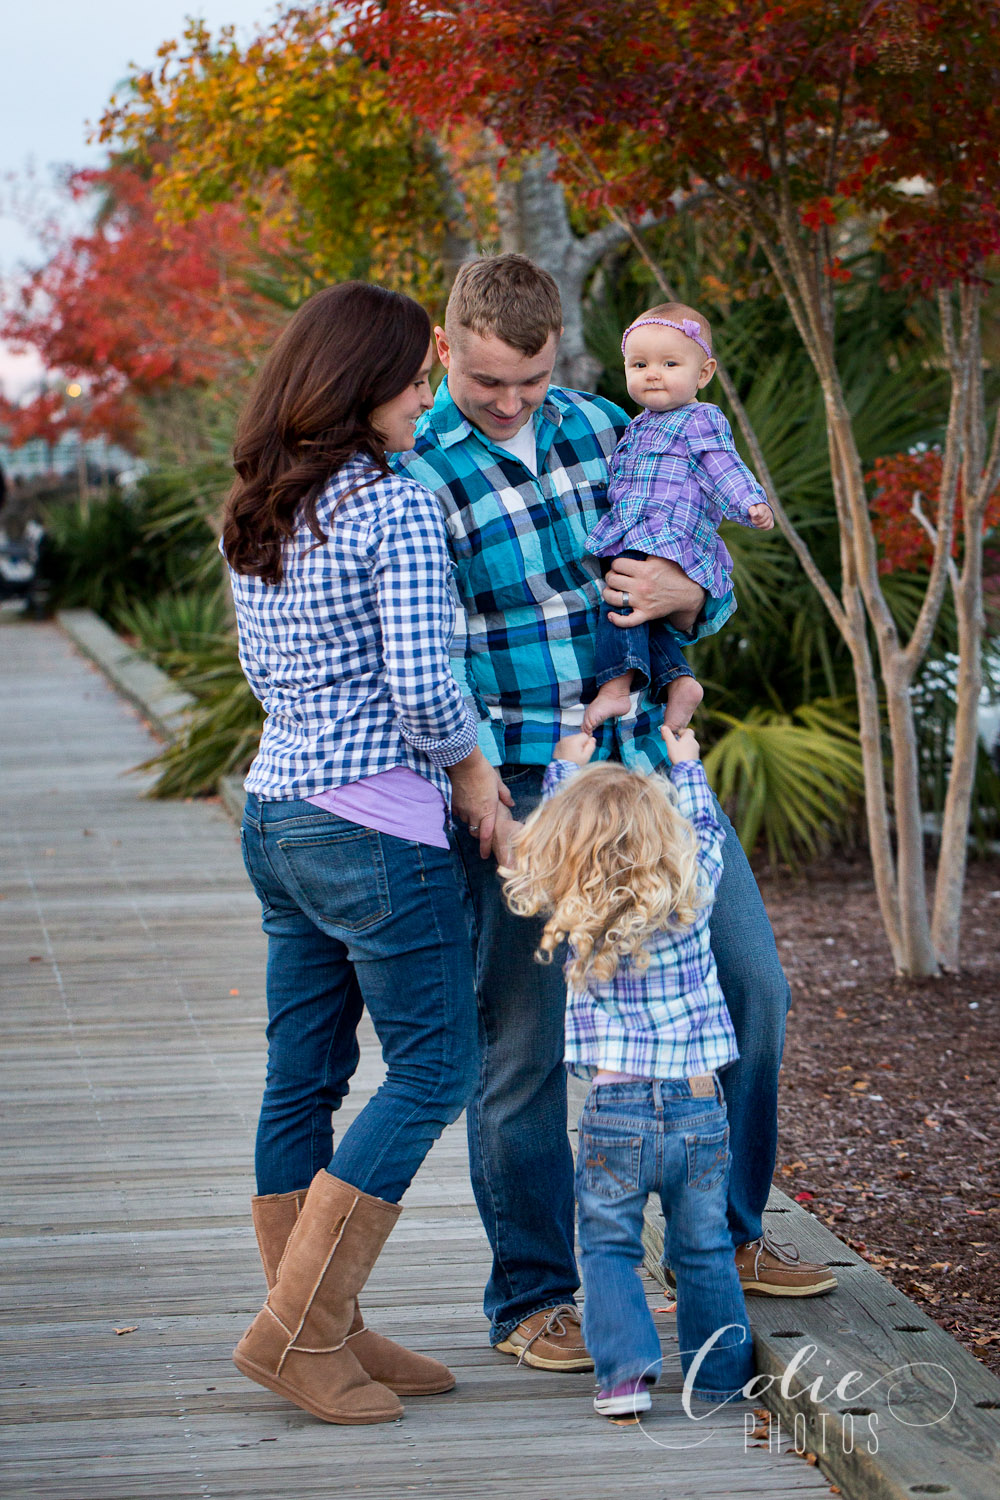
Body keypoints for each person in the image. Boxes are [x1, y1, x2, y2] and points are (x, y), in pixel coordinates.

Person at [396, 254, 834, 1373]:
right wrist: (473, 786)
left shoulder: (613, 426)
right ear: (447, 350)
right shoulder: (414, 467)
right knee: (526, 1046)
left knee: (751, 988)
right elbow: (422, 656)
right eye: (489, 381)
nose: (510, 402)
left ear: (559, 357)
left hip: (650, 769)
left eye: (531, 381)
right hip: (523, 788)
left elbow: (696, 560)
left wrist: (697, 594)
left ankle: (728, 1231)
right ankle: (534, 1297)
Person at [223, 282, 509, 1425]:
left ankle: (323, 1322)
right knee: (436, 1067)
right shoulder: (392, 509)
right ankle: (296, 1331)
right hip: (373, 828)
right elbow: (421, 683)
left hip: (278, 812)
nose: (425, 396)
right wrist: (472, 770)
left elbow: (262, 674)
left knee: (304, 1072)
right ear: (363, 386)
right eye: (413, 377)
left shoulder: (256, 504)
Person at [503, 723, 754, 1417]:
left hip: (614, 1112)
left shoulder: (577, 902)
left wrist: (562, 769)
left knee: (610, 1248)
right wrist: (686, 763)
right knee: (703, 1245)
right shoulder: (694, 888)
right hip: (699, 1106)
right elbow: (705, 826)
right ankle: (722, 1378)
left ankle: (623, 1380)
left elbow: (551, 837)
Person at [583, 303, 774, 736]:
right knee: (646, 615)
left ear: (703, 374)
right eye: (640, 364)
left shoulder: (700, 418)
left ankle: (615, 686)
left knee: (620, 599)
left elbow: (722, 463)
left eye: (670, 364)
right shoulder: (636, 425)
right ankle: (679, 680)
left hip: (667, 531)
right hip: (638, 527)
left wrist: (749, 502)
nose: (653, 373)